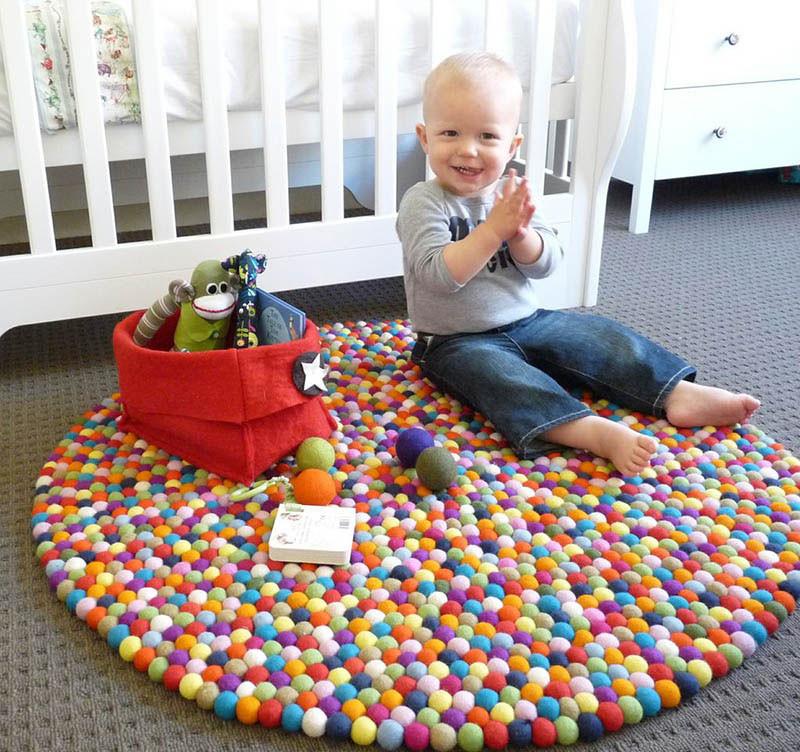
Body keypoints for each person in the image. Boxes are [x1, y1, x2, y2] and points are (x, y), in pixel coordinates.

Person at [396, 51, 759, 476]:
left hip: (528, 319)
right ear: (425, 138)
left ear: (512, 144)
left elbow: (546, 264)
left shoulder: (514, 193)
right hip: (454, 340)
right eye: (450, 133)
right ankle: (589, 430)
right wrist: (492, 230)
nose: (468, 150)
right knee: (499, 378)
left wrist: (520, 234)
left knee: (600, 338)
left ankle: (675, 392)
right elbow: (440, 276)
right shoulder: (424, 201)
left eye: (487, 137)